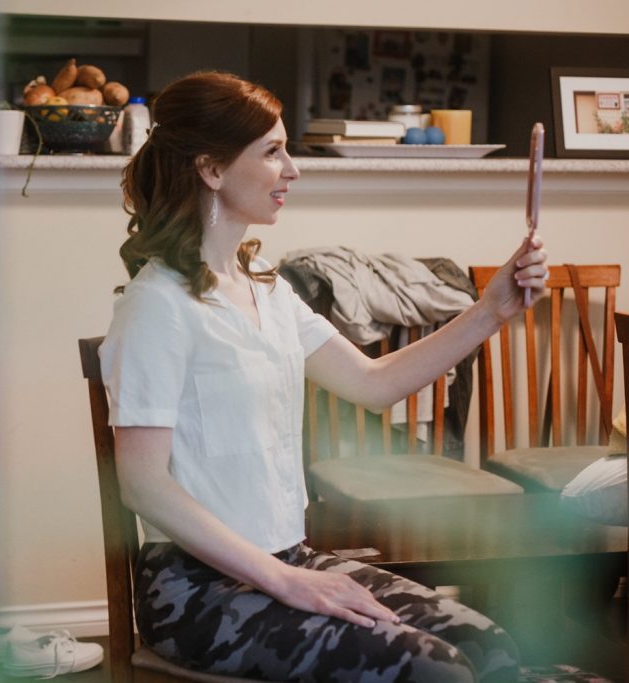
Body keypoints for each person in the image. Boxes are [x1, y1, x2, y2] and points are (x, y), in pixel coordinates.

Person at [99, 71, 548, 683]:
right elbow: (142, 484)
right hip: (196, 591)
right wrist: (287, 582)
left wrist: (491, 310)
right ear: (211, 168)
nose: (293, 169)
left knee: (488, 645)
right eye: (272, 151)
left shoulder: (267, 291)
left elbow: (374, 381)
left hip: (290, 556)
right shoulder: (158, 305)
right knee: (436, 670)